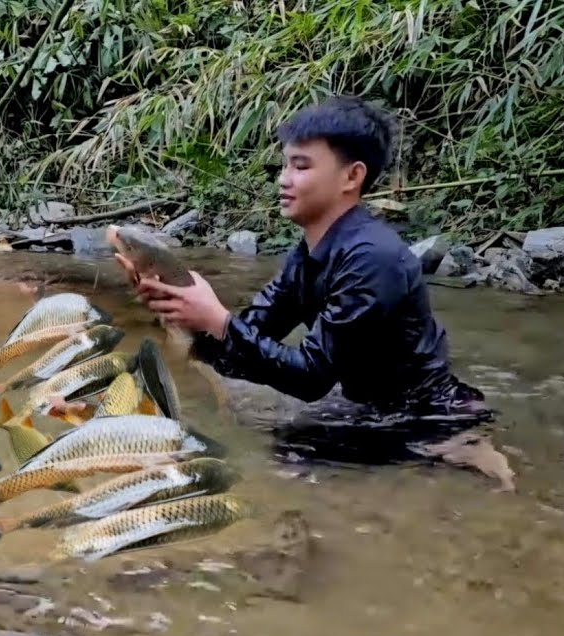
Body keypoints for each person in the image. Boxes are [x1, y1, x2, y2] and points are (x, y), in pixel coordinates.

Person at [117, 96, 513, 488]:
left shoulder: (374, 259)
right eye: (285, 164)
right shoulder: (308, 255)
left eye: (301, 166)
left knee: (288, 456)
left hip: (423, 415)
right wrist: (180, 310)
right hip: (367, 403)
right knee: (262, 430)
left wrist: (218, 320)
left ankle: (461, 444)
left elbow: (310, 378)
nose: (283, 179)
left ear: (351, 177)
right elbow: (246, 342)